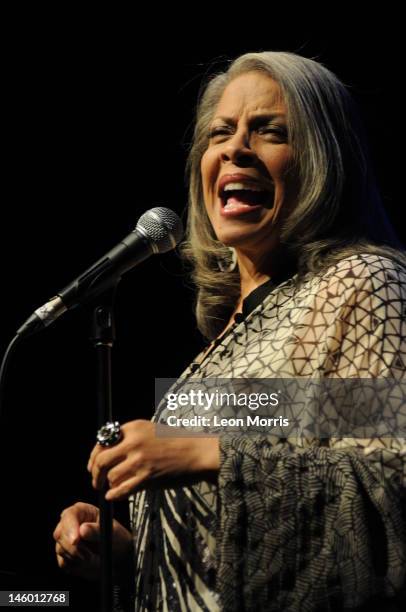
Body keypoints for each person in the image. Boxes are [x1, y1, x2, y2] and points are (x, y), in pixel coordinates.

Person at [53, 51, 406, 611]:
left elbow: (388, 485)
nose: (234, 149)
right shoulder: (227, 338)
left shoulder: (359, 282)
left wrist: (205, 452)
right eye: (221, 132)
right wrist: (129, 551)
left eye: (270, 131)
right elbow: (234, 538)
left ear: (325, 161)